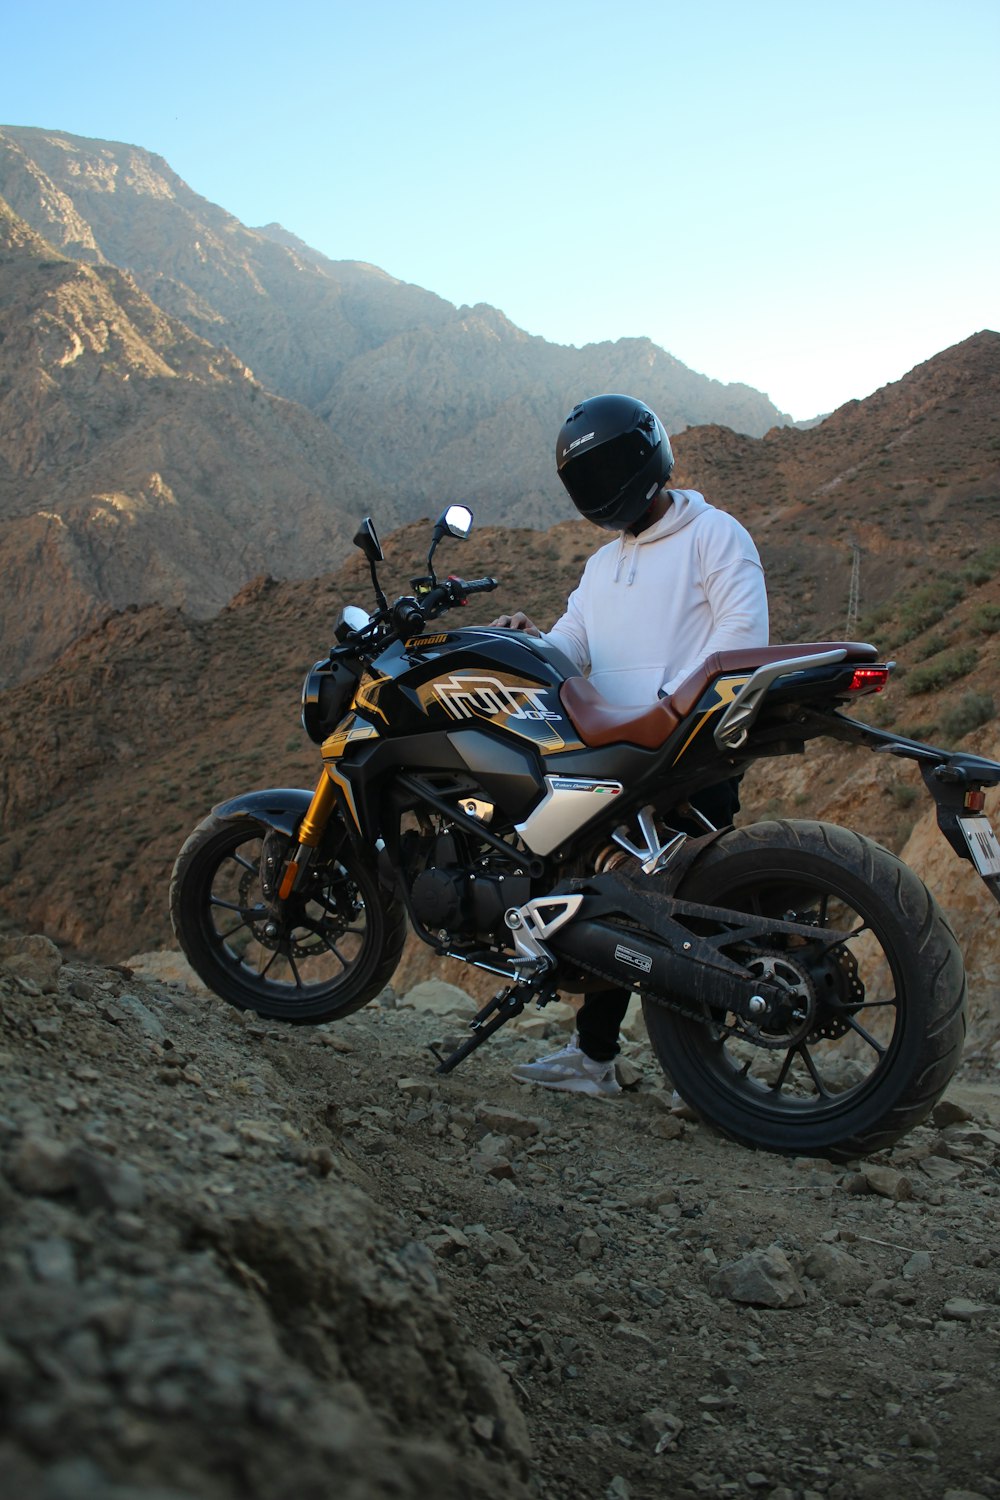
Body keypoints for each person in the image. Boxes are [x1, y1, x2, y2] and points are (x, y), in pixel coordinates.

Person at [490, 393, 769, 1098]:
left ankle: (708, 1071)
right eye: (586, 477)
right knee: (610, 904)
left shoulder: (715, 535)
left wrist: (663, 713)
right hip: (609, 764)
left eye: (608, 467)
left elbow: (742, 639)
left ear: (645, 457)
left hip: (688, 756)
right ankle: (594, 1057)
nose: (601, 487)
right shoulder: (600, 566)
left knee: (692, 912)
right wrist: (525, 643)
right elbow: (567, 647)